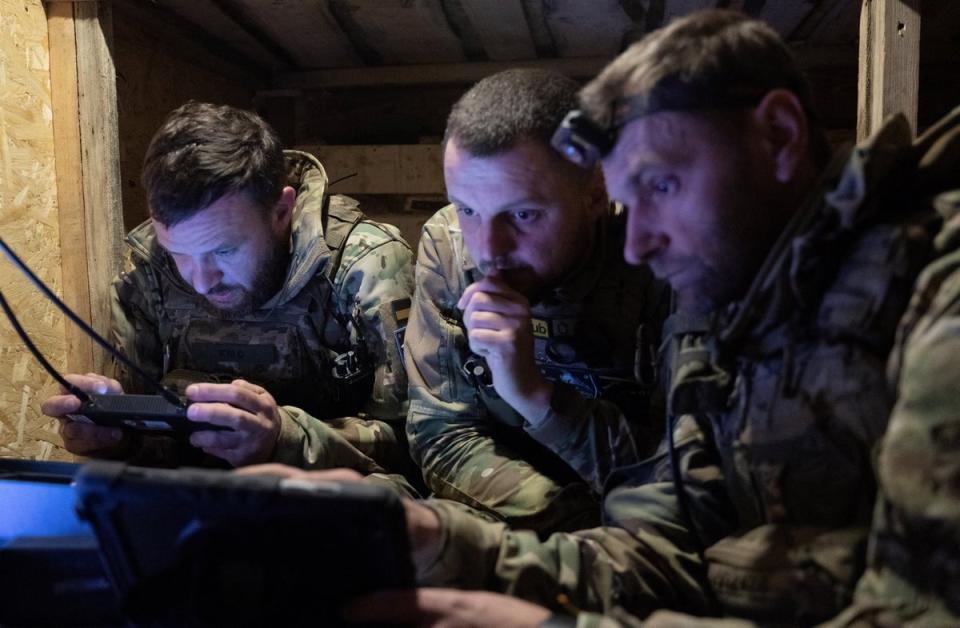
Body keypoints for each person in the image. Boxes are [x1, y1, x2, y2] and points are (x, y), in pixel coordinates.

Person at [251, 10, 960, 627]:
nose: (639, 242)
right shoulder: (729, 303)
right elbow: (663, 550)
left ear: (777, 135)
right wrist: (443, 542)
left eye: (660, 186)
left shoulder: (936, 287)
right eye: (632, 198)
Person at [41, 102, 417, 477]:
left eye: (223, 250)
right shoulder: (148, 268)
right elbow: (156, 444)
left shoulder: (364, 266)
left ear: (282, 211)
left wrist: (285, 439)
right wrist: (119, 435)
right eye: (179, 254)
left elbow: (419, 446)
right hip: (195, 510)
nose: (201, 281)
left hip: (335, 512)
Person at [403, 69, 670, 534]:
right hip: (541, 517)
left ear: (596, 195)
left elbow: (689, 474)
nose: (487, 249)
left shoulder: (662, 256)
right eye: (467, 209)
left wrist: (537, 396)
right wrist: (566, 520)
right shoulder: (448, 248)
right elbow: (440, 435)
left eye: (523, 214)